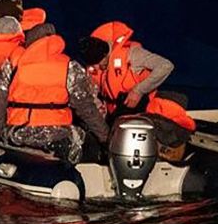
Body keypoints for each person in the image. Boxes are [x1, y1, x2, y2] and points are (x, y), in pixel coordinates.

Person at [0, 26, 109, 165]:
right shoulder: (69, 67)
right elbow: (87, 109)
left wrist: (0, 133)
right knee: (93, 149)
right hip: (59, 136)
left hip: (17, 133)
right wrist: (105, 138)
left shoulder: (12, 64)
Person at [77, 21, 196, 159]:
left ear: (105, 54)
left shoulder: (132, 55)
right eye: (93, 65)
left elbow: (165, 66)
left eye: (99, 62)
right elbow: (93, 98)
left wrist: (138, 90)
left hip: (143, 109)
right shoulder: (94, 69)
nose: (97, 68)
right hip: (116, 116)